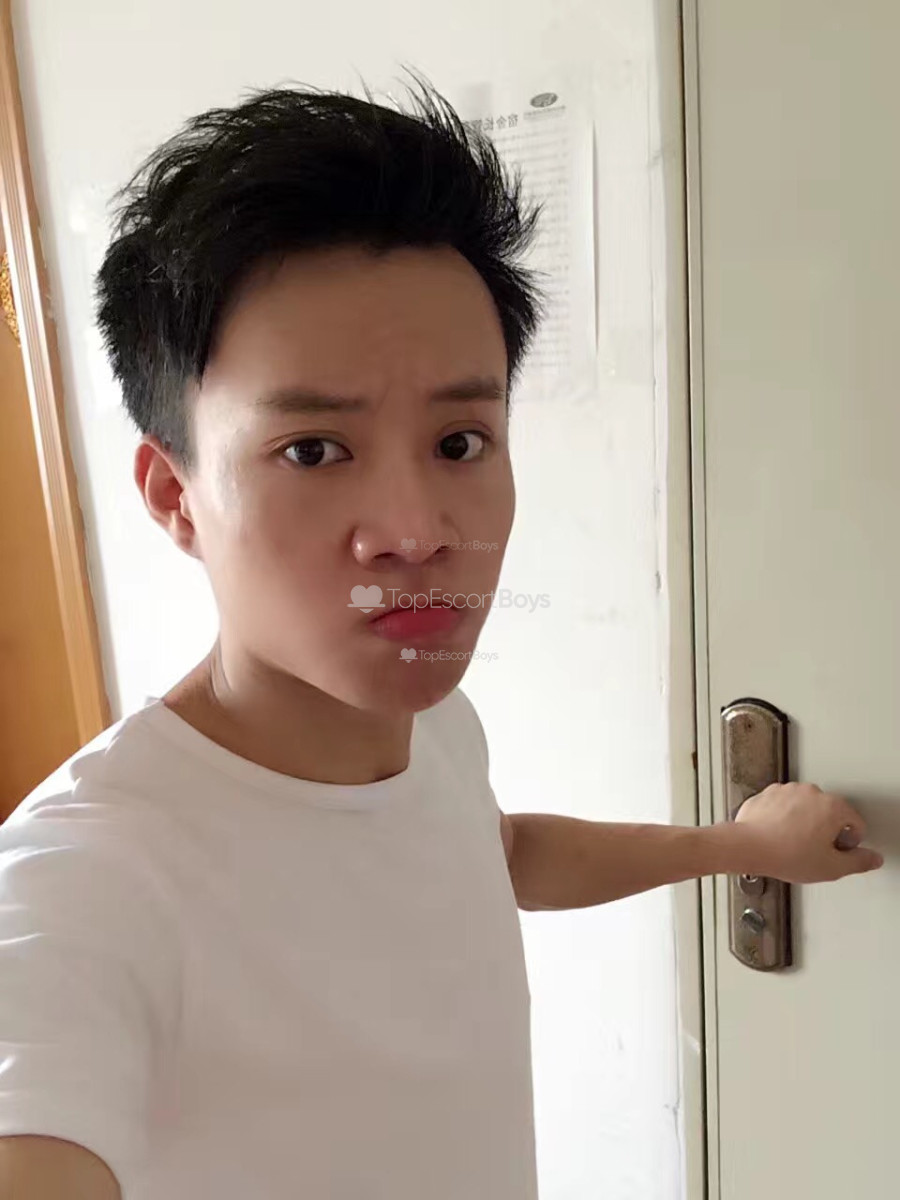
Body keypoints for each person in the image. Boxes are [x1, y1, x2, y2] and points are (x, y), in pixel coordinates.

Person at [0, 74, 883, 1200]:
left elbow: (491, 853)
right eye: (313, 451)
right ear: (177, 497)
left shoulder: (429, 722)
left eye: (461, 442)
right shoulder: (86, 885)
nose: (418, 533)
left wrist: (736, 846)